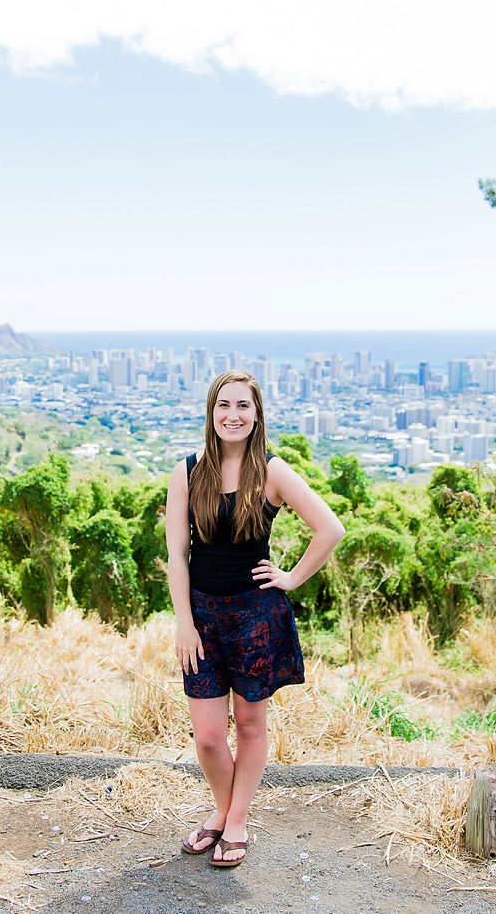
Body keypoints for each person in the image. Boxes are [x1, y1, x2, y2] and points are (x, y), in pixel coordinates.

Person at [165, 370, 345, 868]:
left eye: (243, 406)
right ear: (212, 411)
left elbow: (330, 528)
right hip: (201, 617)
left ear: (256, 415)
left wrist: (290, 577)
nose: (233, 415)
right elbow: (177, 555)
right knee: (206, 736)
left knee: (248, 724)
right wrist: (184, 622)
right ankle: (223, 811)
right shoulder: (187, 471)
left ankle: (235, 820)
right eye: (225, 405)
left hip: (255, 615)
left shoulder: (272, 471)